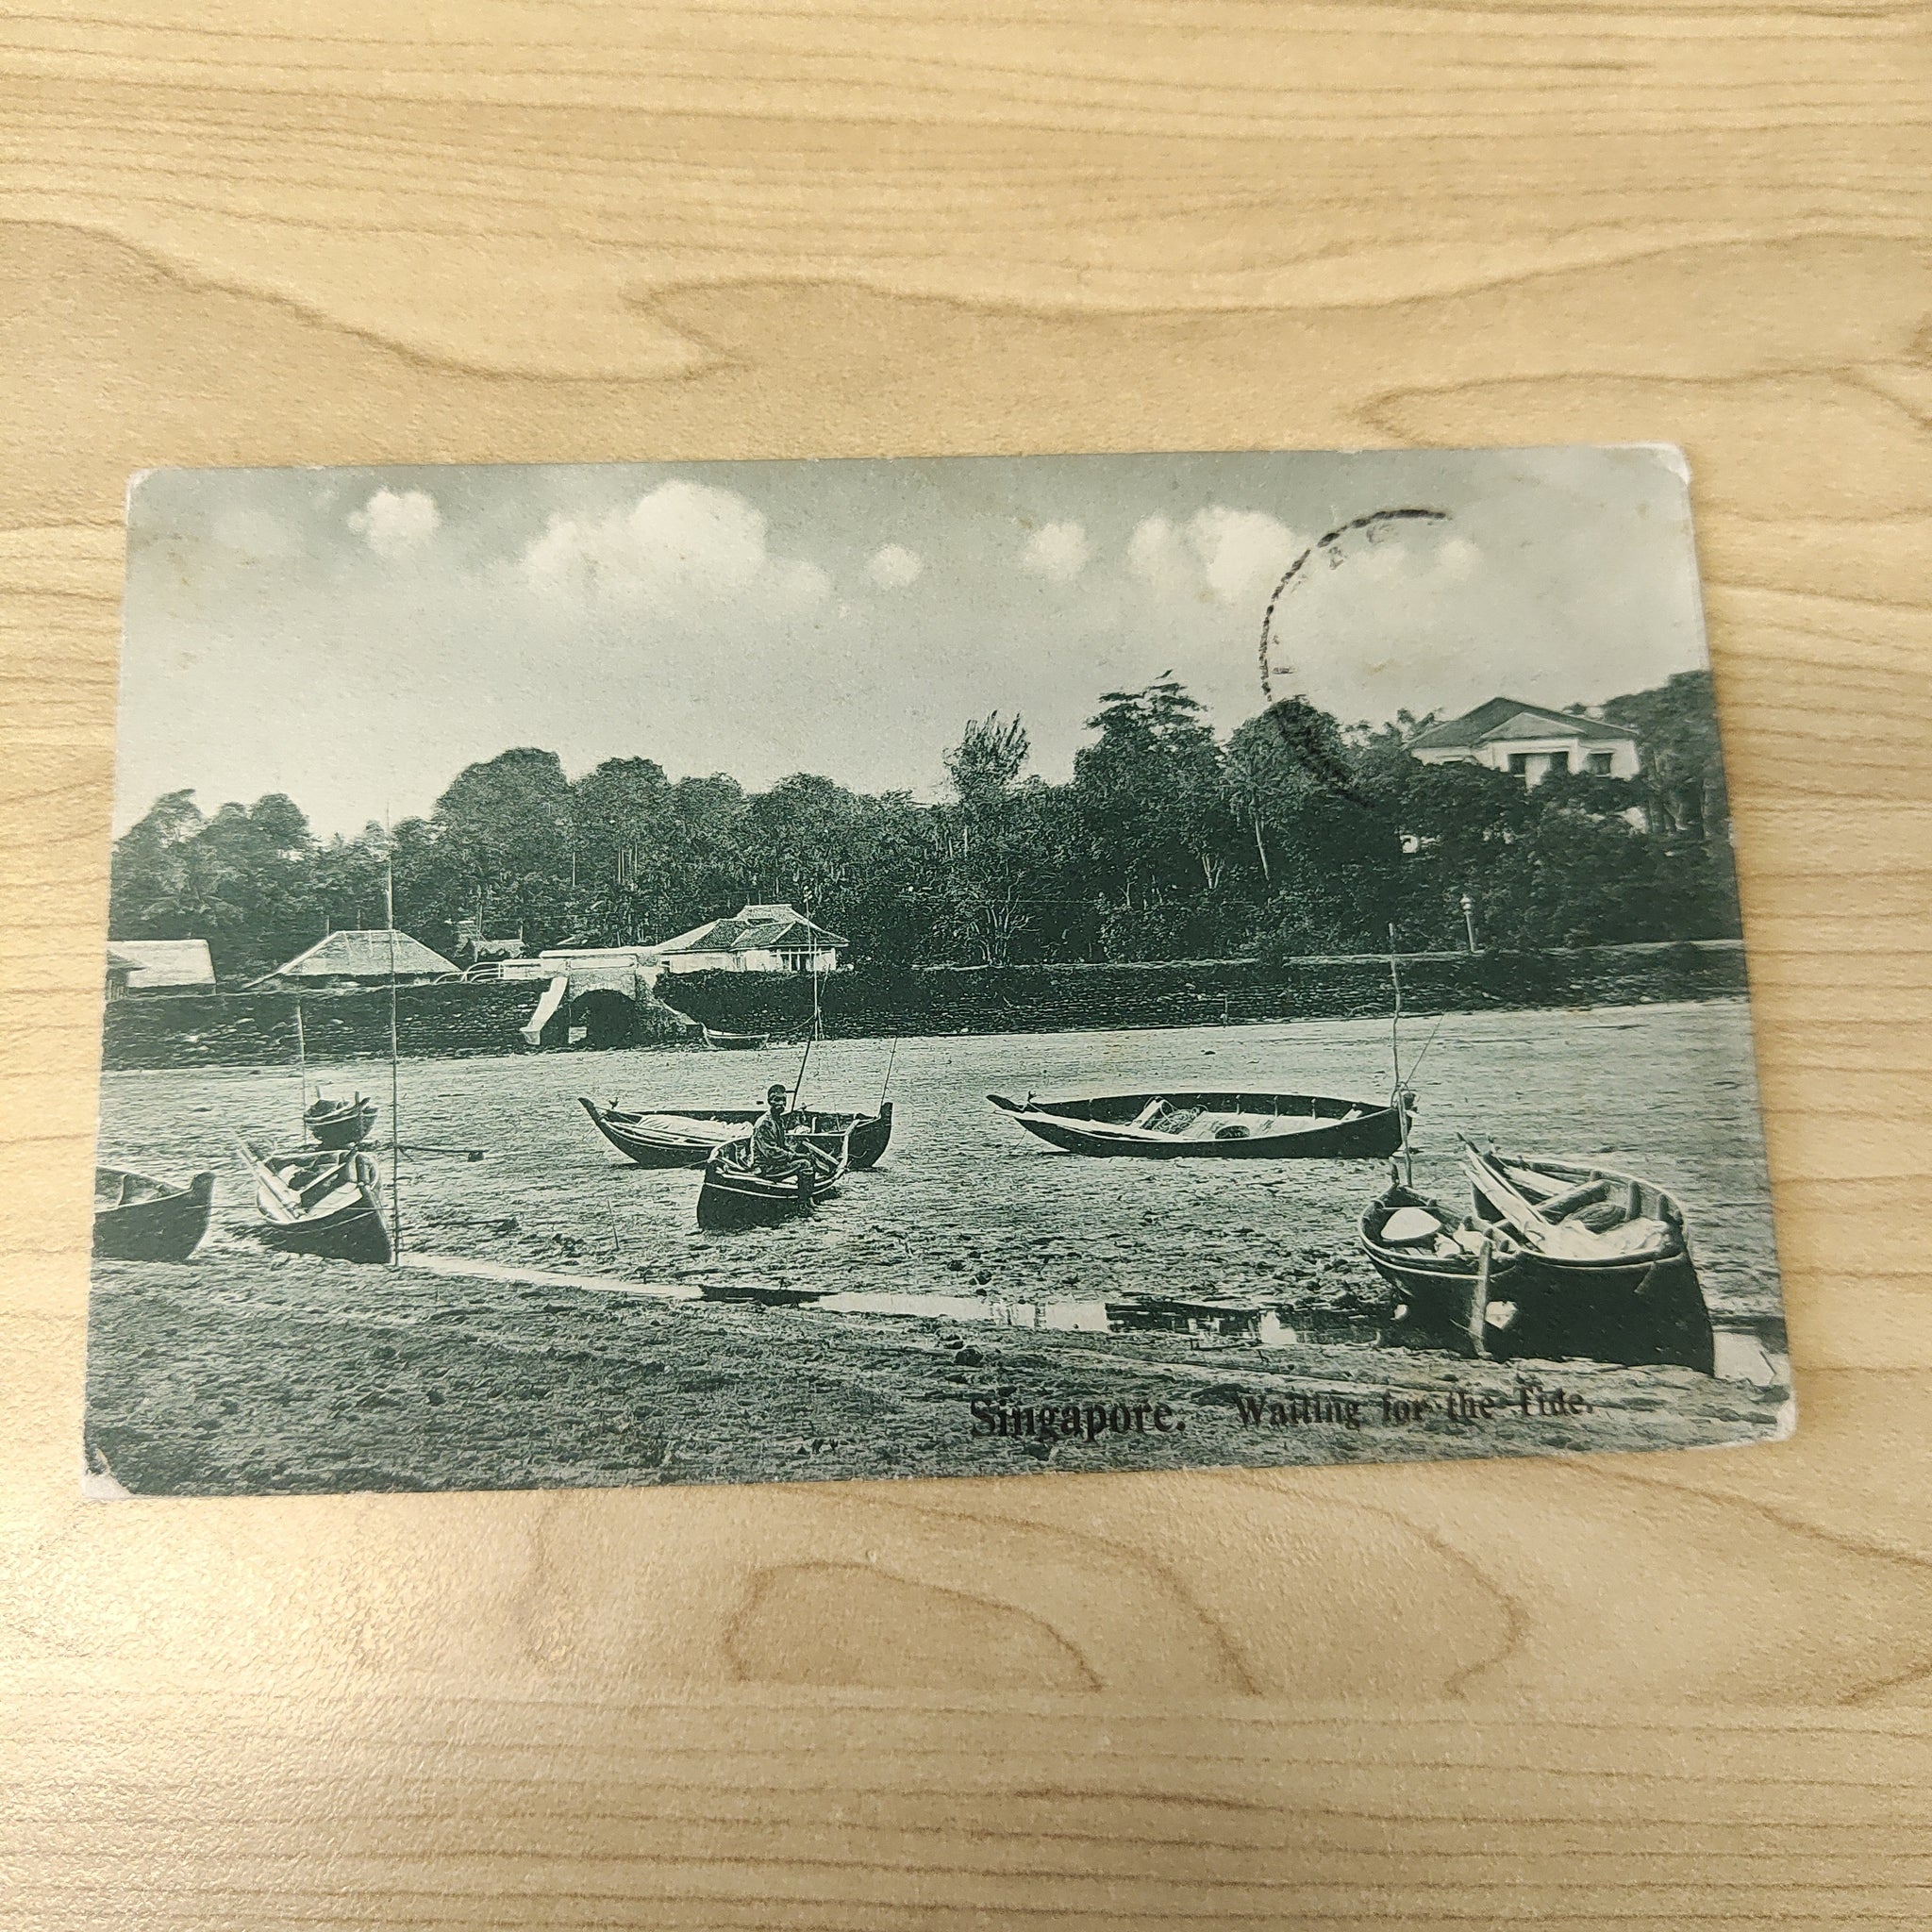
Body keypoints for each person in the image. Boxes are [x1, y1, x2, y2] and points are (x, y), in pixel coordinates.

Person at [752, 1082, 819, 1205]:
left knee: (809, 1159)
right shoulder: (764, 1124)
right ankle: (804, 1204)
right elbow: (772, 1153)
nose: (781, 1104)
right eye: (776, 1100)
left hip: (775, 1163)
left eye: (783, 1100)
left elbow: (783, 1146)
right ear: (769, 1101)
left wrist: (794, 1152)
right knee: (804, 1164)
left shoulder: (778, 1120)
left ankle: (807, 1196)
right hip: (766, 1168)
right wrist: (797, 1156)